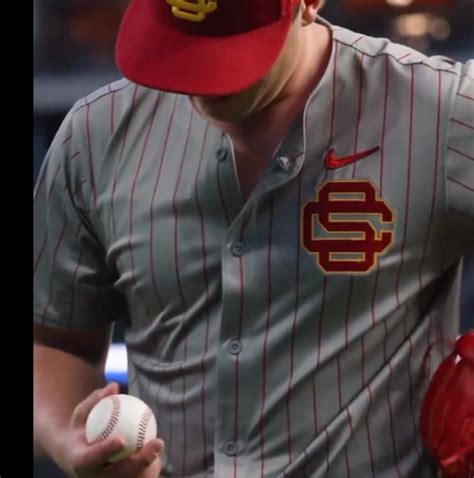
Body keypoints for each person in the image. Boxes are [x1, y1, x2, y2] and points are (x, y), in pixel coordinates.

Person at [33, 0, 474, 476]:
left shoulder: (441, 111)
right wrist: (69, 440)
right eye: (182, 40)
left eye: (230, 40)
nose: (202, 75)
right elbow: (54, 341)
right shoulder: (95, 136)